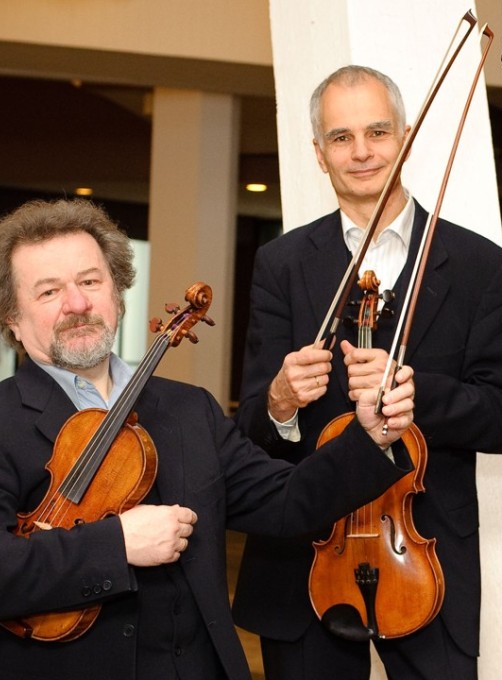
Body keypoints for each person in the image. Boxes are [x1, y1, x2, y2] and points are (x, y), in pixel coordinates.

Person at [0, 198, 417, 680]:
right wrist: (117, 544)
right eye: (49, 291)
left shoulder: (188, 408)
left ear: (117, 292)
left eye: (90, 281)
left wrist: (371, 436)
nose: (77, 304)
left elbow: (286, 502)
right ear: (12, 318)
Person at [230, 65, 502, 680]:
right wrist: (280, 401)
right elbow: (251, 429)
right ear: (320, 154)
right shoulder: (281, 264)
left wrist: (422, 396)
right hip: (306, 553)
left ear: (406, 138)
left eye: (377, 132)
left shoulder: (481, 267)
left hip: (425, 552)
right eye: (341, 138)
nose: (362, 152)